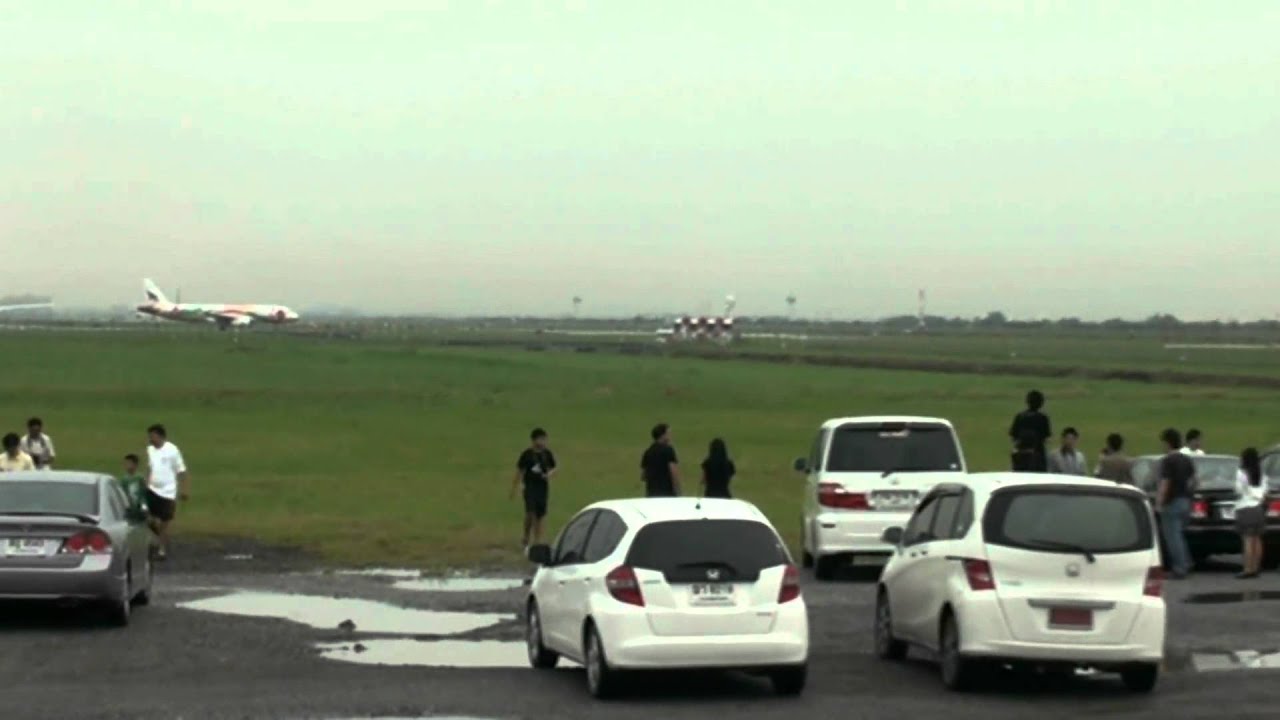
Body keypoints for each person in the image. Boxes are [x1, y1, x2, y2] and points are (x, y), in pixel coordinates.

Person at [1156, 428, 1197, 579]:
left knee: (1172, 537)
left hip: (1171, 502)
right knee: (1180, 535)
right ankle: (1187, 561)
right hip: (1185, 501)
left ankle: (1180, 568)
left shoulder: (1168, 461)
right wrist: (1189, 494)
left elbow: (1165, 483)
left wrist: (1159, 503)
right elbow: (1194, 481)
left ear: (1167, 443)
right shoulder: (1187, 459)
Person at [145, 424, 188, 560]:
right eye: (150, 436)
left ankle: (162, 550)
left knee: (165, 522)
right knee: (145, 517)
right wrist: (146, 484)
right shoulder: (150, 450)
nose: (150, 439)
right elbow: (149, 468)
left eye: (153, 436)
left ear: (160, 436)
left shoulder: (172, 450)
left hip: (168, 492)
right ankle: (158, 538)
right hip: (151, 490)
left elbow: (181, 470)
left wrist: (184, 489)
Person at [511, 428, 557, 548]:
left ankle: (537, 540)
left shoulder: (547, 454)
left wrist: (549, 474)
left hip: (542, 487)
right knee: (530, 512)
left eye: (544, 439)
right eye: (541, 439)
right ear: (534, 440)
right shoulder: (527, 454)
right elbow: (520, 471)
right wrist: (516, 487)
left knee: (540, 514)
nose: (543, 442)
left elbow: (553, 467)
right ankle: (526, 536)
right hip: (530, 486)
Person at [1233, 448, 1267, 579]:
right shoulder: (1261, 474)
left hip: (1245, 507)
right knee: (1257, 539)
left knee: (1247, 540)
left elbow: (1239, 490)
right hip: (1258, 508)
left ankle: (1248, 568)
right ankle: (1256, 567)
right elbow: (1264, 492)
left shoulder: (1241, 473)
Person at [1008, 390, 1051, 473]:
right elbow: (1046, 437)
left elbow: (1013, 435)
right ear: (1041, 403)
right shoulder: (1043, 418)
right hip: (1038, 454)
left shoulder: (1020, 416)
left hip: (1020, 454)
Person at [640, 423, 681, 497]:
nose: (670, 436)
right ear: (662, 435)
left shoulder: (648, 452)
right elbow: (673, 472)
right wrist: (677, 490)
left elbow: (643, 476)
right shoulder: (668, 450)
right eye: (668, 433)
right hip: (667, 492)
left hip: (651, 492)